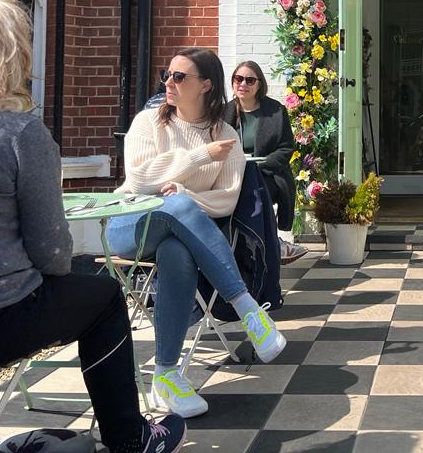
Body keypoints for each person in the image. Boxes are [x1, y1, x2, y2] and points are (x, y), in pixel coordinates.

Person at [0, 0, 185, 453]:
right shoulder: (18, 133)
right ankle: (130, 437)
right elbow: (53, 251)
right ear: (10, 56)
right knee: (106, 296)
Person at [108, 48, 288, 419]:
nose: (168, 84)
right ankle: (247, 309)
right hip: (129, 225)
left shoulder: (227, 136)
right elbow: (140, 180)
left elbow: (223, 202)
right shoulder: (149, 123)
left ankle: (167, 374)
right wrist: (200, 156)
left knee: (178, 248)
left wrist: (185, 194)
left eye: (179, 77)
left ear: (206, 85)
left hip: (179, 234)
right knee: (176, 208)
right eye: (167, 75)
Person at [222, 60, 308, 263]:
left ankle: (265, 243)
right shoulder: (223, 112)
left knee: (256, 191)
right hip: (231, 172)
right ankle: (258, 244)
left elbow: (286, 147)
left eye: (249, 80)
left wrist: (260, 166)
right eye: (238, 79)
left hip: (267, 172)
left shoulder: (275, 111)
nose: (243, 84)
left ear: (259, 84)